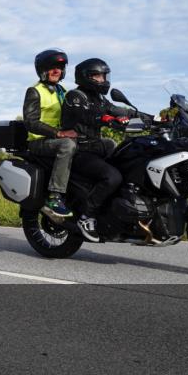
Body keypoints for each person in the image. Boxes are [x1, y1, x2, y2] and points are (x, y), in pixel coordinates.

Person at [60, 58, 133, 242]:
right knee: (112, 177)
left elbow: (119, 110)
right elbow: (87, 115)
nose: (102, 79)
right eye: (97, 76)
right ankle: (86, 216)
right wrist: (108, 119)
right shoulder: (75, 96)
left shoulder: (100, 98)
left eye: (103, 75)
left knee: (129, 163)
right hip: (79, 150)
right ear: (86, 77)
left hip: (96, 147)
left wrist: (152, 117)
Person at [23, 48, 78, 221]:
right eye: (52, 67)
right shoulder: (35, 91)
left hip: (56, 139)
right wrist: (58, 133)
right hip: (39, 142)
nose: (56, 70)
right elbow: (30, 122)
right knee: (67, 145)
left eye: (59, 68)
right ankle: (54, 197)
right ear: (43, 70)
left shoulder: (62, 91)